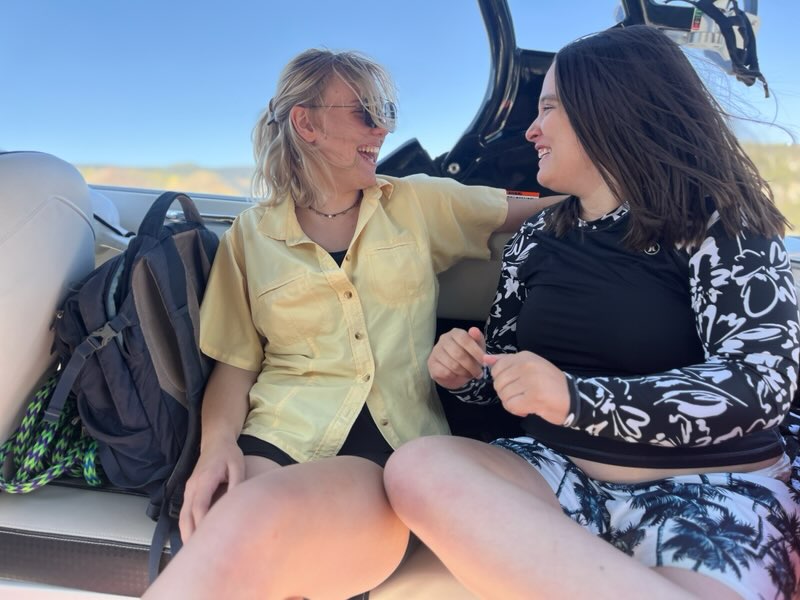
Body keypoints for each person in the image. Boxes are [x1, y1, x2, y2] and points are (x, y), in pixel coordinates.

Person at [383, 25, 800, 600]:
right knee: (419, 467)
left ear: (610, 110)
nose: (530, 130)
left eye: (548, 108)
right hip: (552, 472)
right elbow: (506, 378)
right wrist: (469, 374)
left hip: (709, 489)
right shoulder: (535, 237)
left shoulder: (718, 223)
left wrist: (577, 399)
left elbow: (759, 383)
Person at [142, 49, 553, 599]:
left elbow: (539, 208)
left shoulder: (417, 202)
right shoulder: (249, 235)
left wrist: (634, 191)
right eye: (366, 112)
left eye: (387, 111)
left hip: (400, 445)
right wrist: (215, 449)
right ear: (306, 124)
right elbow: (237, 366)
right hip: (281, 436)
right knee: (237, 542)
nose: (383, 128)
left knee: (264, 549)